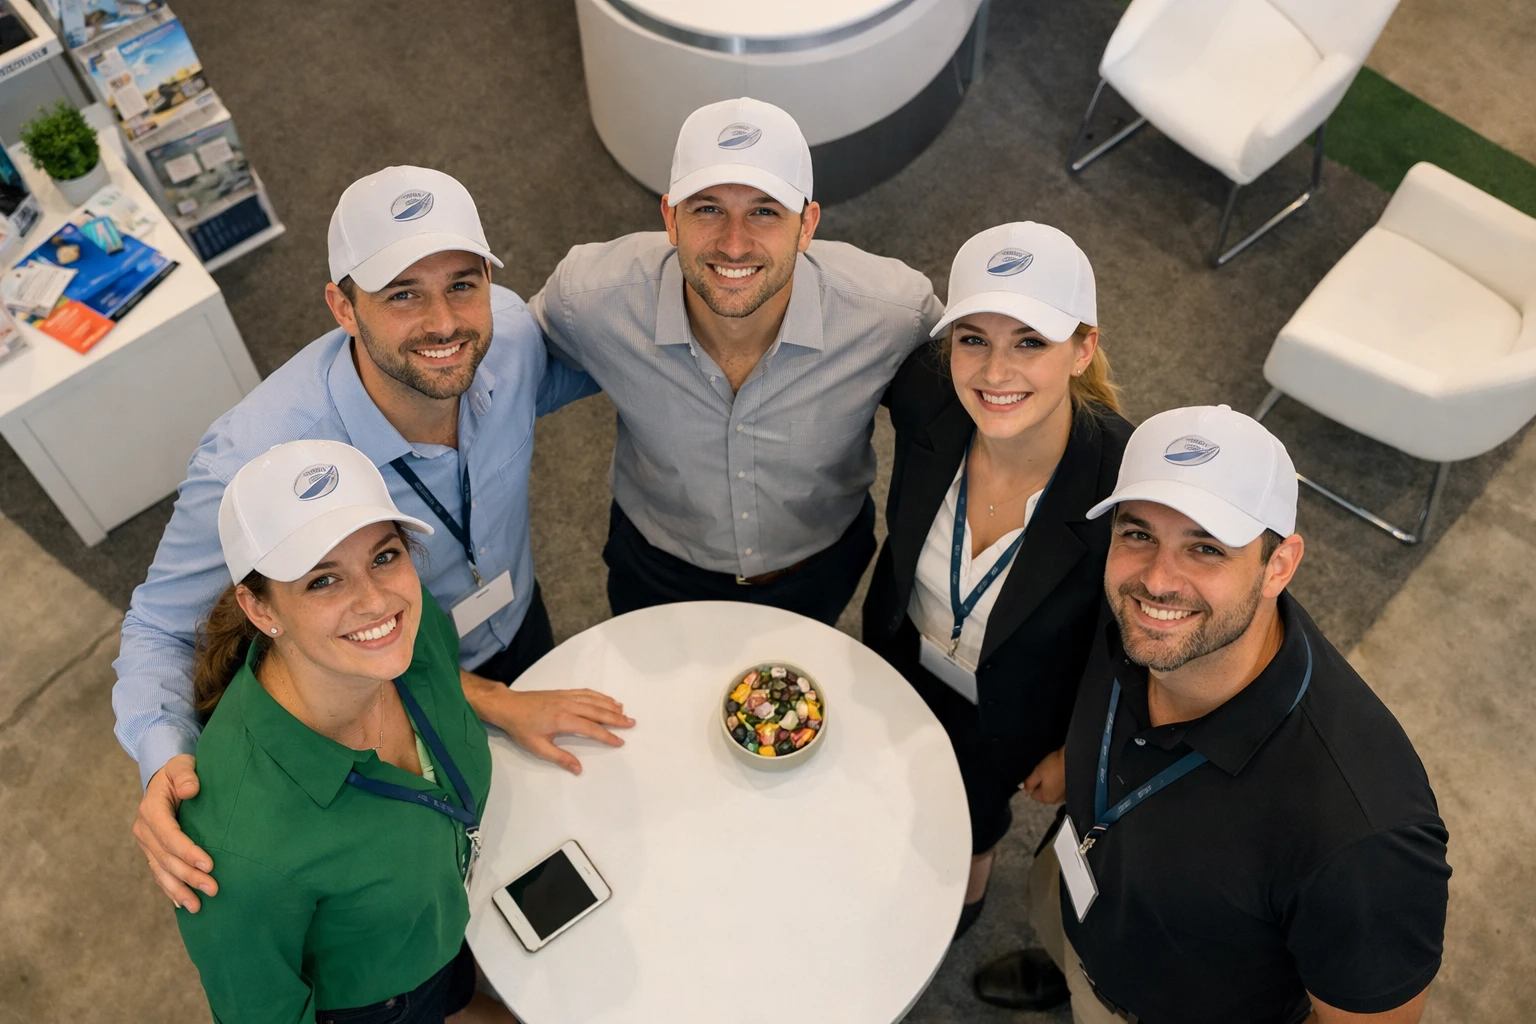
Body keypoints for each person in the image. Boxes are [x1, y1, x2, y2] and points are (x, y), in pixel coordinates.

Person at [116, 166, 634, 915]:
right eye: (402, 294)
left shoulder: (509, 338)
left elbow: (593, 369)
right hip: (370, 694)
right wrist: (166, 757)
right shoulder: (252, 458)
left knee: (555, 822)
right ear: (342, 307)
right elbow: (159, 625)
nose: (444, 322)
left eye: (463, 282)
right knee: (443, 884)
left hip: (515, 620)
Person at [973, 405, 1451, 1023]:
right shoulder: (1136, 615)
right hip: (1089, 887)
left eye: (1205, 548)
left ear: (1279, 565)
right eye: (1138, 533)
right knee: (1073, 945)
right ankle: (1075, 975)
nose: (1157, 581)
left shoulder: (1363, 837)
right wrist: (1076, 756)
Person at [530, 97, 944, 625]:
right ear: (670, 219)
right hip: (660, 566)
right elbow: (496, 367)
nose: (733, 244)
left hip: (820, 567)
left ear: (808, 224)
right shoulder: (591, 296)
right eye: (708, 208)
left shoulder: (893, 313)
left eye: (765, 212)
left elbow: (981, 391)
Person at [175, 439, 510, 1023]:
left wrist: (500, 701)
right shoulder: (235, 847)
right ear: (259, 609)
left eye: (384, 557)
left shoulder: (415, 625)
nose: (376, 601)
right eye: (322, 581)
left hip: (442, 924)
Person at [863, 222, 1131, 938]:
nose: (993, 372)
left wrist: (1076, 752)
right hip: (900, 652)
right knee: (879, 763)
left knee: (974, 807)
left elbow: (1128, 647)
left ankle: (956, 911)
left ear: (1083, 349)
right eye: (973, 338)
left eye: (1030, 342)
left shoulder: (1125, 492)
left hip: (1017, 708)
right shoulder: (928, 395)